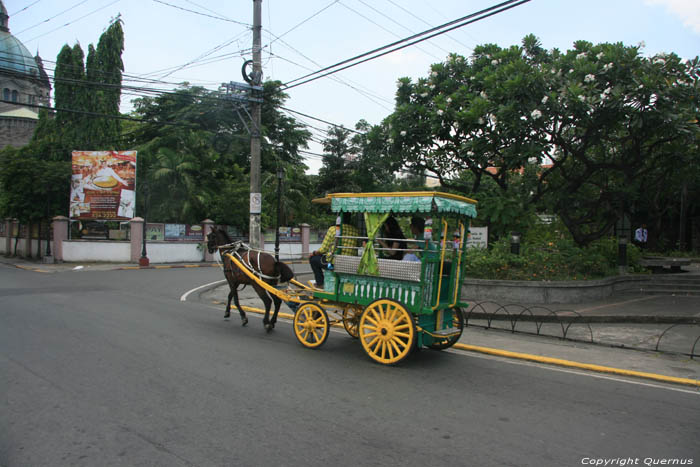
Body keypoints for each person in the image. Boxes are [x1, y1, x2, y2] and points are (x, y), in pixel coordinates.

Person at [309, 212, 359, 288]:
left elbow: (323, 249)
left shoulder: (333, 229)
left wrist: (314, 253)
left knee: (313, 260)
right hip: (350, 263)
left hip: (333, 265)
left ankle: (320, 283)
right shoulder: (355, 231)